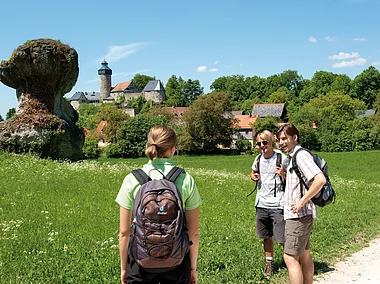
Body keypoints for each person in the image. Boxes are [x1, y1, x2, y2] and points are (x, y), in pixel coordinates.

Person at [116, 125, 202, 284]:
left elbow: (123, 232)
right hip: (177, 261)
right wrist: (192, 269)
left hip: (140, 261)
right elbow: (194, 232)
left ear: (149, 146)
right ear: (173, 149)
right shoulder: (185, 179)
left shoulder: (133, 179)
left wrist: (124, 268)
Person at [276, 123, 326, 284]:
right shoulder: (292, 156)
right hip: (301, 215)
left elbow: (320, 180)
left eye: (284, 138)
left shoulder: (301, 155)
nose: (281, 142)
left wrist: (301, 202)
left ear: (295, 137)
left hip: (298, 215)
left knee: (290, 257)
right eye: (279, 140)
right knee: (304, 254)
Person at [250, 130, 287, 277]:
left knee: (282, 237)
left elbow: (293, 179)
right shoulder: (258, 159)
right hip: (262, 203)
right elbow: (252, 172)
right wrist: (253, 176)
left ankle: (294, 261)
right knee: (266, 236)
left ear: (272, 142)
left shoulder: (282, 158)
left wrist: (283, 174)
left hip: (278, 204)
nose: (262, 146)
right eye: (259, 143)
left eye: (264, 142)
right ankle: (269, 263)